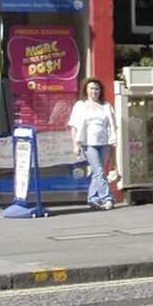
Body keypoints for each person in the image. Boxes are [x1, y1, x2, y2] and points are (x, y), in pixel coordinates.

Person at [68, 76, 117, 210]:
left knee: (97, 172)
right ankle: (107, 198)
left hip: (105, 143)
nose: (94, 91)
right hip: (88, 143)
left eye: (97, 89)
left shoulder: (106, 106)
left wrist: (114, 141)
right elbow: (73, 126)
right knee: (100, 171)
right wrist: (75, 144)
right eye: (91, 88)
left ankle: (93, 199)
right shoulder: (80, 106)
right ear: (86, 90)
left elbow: (112, 125)